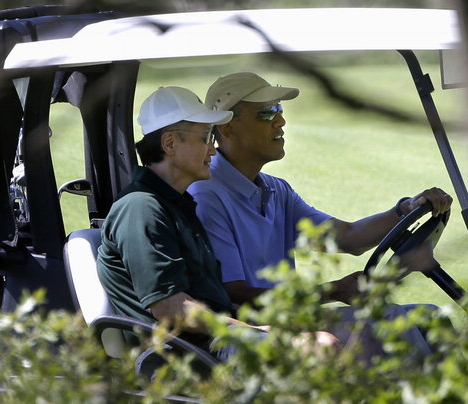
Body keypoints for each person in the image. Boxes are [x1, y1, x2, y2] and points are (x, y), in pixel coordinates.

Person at [188, 72, 453, 353]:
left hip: (289, 320)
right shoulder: (206, 195)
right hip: (250, 335)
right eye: (266, 113)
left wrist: (404, 209)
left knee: (430, 321)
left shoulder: (276, 190)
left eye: (279, 110)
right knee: (369, 344)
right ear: (227, 127)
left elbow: (348, 238)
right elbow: (236, 295)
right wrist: (334, 290)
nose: (280, 121)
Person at [96, 86, 338, 373]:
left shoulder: (177, 205)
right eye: (206, 137)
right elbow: (172, 310)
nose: (213, 148)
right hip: (181, 356)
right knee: (322, 346)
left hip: (207, 342)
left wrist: (253, 326)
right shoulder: (141, 208)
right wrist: (253, 330)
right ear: (170, 143)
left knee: (346, 332)